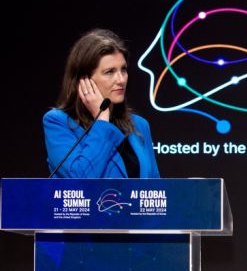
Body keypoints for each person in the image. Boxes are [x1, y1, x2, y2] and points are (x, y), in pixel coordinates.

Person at [44, 29, 160, 178]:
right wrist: (102, 120)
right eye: (109, 72)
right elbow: (80, 180)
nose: (121, 79)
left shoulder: (139, 125)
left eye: (123, 69)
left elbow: (155, 187)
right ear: (84, 80)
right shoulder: (58, 122)